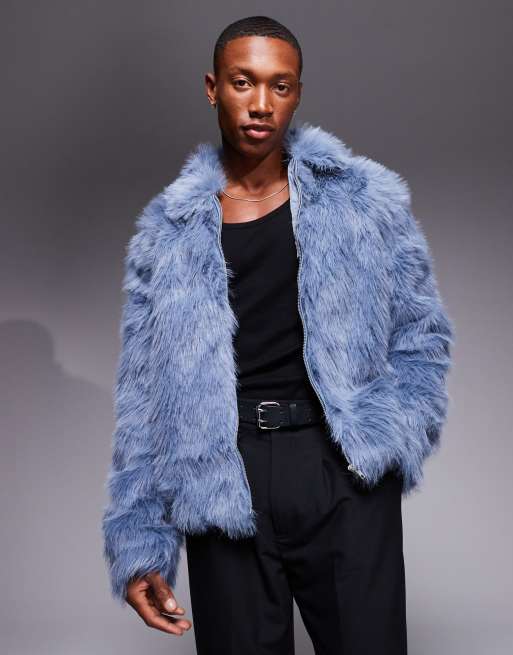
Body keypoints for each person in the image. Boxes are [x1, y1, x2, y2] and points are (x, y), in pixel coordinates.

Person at [101, 15, 455, 655]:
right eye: (243, 82)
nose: (261, 103)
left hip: (339, 469)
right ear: (213, 88)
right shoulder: (168, 233)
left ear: (296, 94)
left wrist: (390, 436)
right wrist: (140, 542)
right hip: (224, 478)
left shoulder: (361, 201)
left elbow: (423, 334)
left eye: (279, 85)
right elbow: (144, 398)